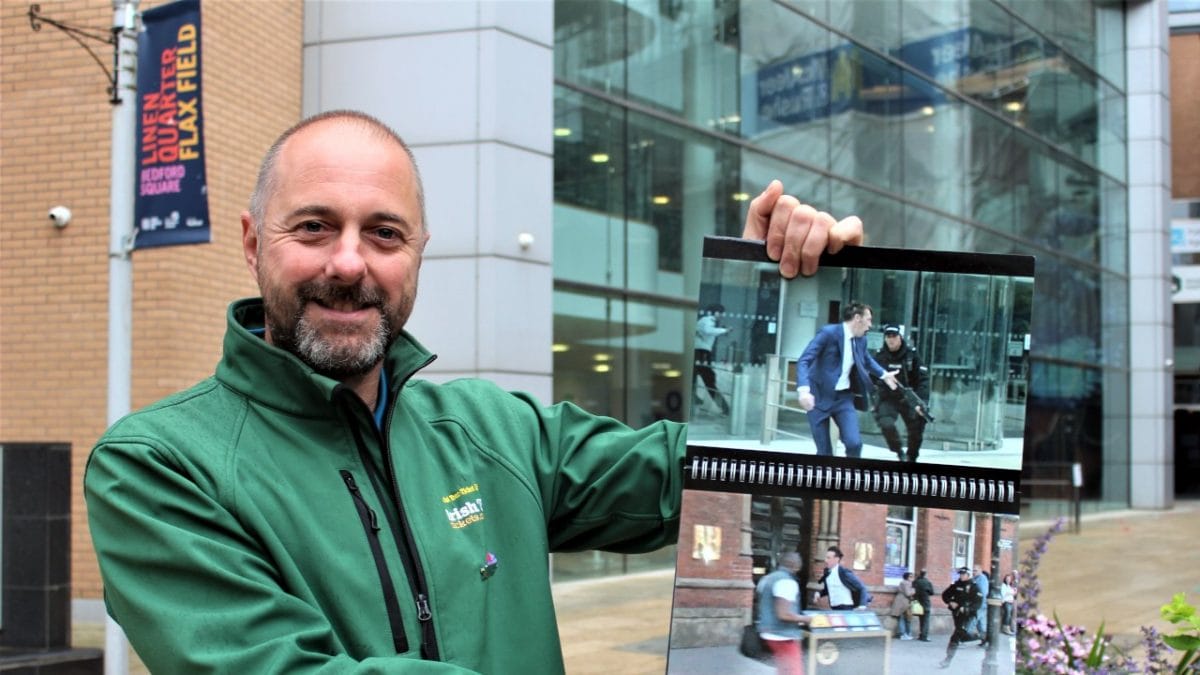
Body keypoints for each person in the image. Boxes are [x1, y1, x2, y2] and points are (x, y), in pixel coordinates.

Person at [83, 110, 865, 674]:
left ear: (418, 253)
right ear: (254, 243)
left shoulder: (496, 432)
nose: (350, 263)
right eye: (315, 226)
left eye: (384, 234)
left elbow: (693, 468)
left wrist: (784, 296)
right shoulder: (158, 466)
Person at [796, 303, 897, 457]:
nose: (870, 325)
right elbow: (804, 360)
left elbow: (866, 360)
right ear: (857, 318)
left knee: (854, 444)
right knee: (824, 452)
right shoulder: (828, 333)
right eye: (868, 320)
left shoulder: (861, 340)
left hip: (843, 399)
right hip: (818, 398)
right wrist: (804, 391)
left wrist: (884, 374)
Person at [872, 324, 930, 462]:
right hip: (888, 397)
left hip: (909, 397)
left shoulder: (911, 355)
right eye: (888, 336)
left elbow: (923, 380)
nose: (891, 340)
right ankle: (899, 452)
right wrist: (874, 399)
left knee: (917, 428)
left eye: (894, 336)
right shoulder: (880, 356)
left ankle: (911, 457)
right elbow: (871, 378)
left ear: (900, 337)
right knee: (886, 424)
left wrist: (922, 402)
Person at [756, 552, 814, 675]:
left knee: (783, 670)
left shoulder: (767, 578)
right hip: (783, 636)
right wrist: (807, 619)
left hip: (767, 632)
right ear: (795, 565)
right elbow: (783, 614)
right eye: (799, 561)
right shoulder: (787, 582)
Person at [940, 566, 984, 668]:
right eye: (960, 574)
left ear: (968, 575)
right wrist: (951, 602)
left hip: (968, 615)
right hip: (957, 614)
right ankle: (981, 636)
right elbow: (945, 595)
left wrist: (967, 609)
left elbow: (978, 603)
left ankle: (947, 660)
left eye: (963, 574)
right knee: (962, 635)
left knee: (956, 635)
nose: (961, 576)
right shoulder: (956, 585)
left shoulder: (974, 587)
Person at [694, 304, 731, 415]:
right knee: (710, 382)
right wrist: (725, 330)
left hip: (699, 353)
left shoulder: (704, 321)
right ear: (715, 313)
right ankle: (725, 408)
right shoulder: (707, 320)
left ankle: (695, 399)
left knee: (697, 380)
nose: (721, 316)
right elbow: (708, 330)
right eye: (721, 313)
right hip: (702, 353)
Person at [812, 545, 873, 610]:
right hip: (834, 608)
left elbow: (862, 587)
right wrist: (819, 593)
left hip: (847, 609)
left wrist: (862, 605)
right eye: (826, 558)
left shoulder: (844, 573)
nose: (825, 560)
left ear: (836, 559)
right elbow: (828, 590)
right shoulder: (827, 573)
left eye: (828, 558)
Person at [889, 571, 916, 640]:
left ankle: (905, 634)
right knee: (904, 618)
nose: (912, 578)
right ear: (907, 577)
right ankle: (904, 634)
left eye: (912, 576)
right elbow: (908, 593)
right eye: (910, 576)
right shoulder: (906, 583)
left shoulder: (904, 582)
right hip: (903, 602)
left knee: (904, 618)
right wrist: (913, 590)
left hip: (902, 602)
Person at [970, 565, 991, 646]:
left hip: (980, 605)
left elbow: (982, 592)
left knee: (972, 621)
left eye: (975, 570)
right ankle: (984, 640)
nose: (973, 572)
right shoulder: (975, 579)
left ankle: (963, 638)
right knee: (981, 624)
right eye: (973, 570)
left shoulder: (982, 579)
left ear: (980, 571)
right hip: (981, 605)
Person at [913, 568, 936, 641]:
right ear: (925, 574)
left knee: (921, 620)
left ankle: (920, 635)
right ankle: (924, 636)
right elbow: (932, 592)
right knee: (926, 620)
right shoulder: (927, 582)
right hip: (925, 603)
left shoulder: (915, 582)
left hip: (917, 603)